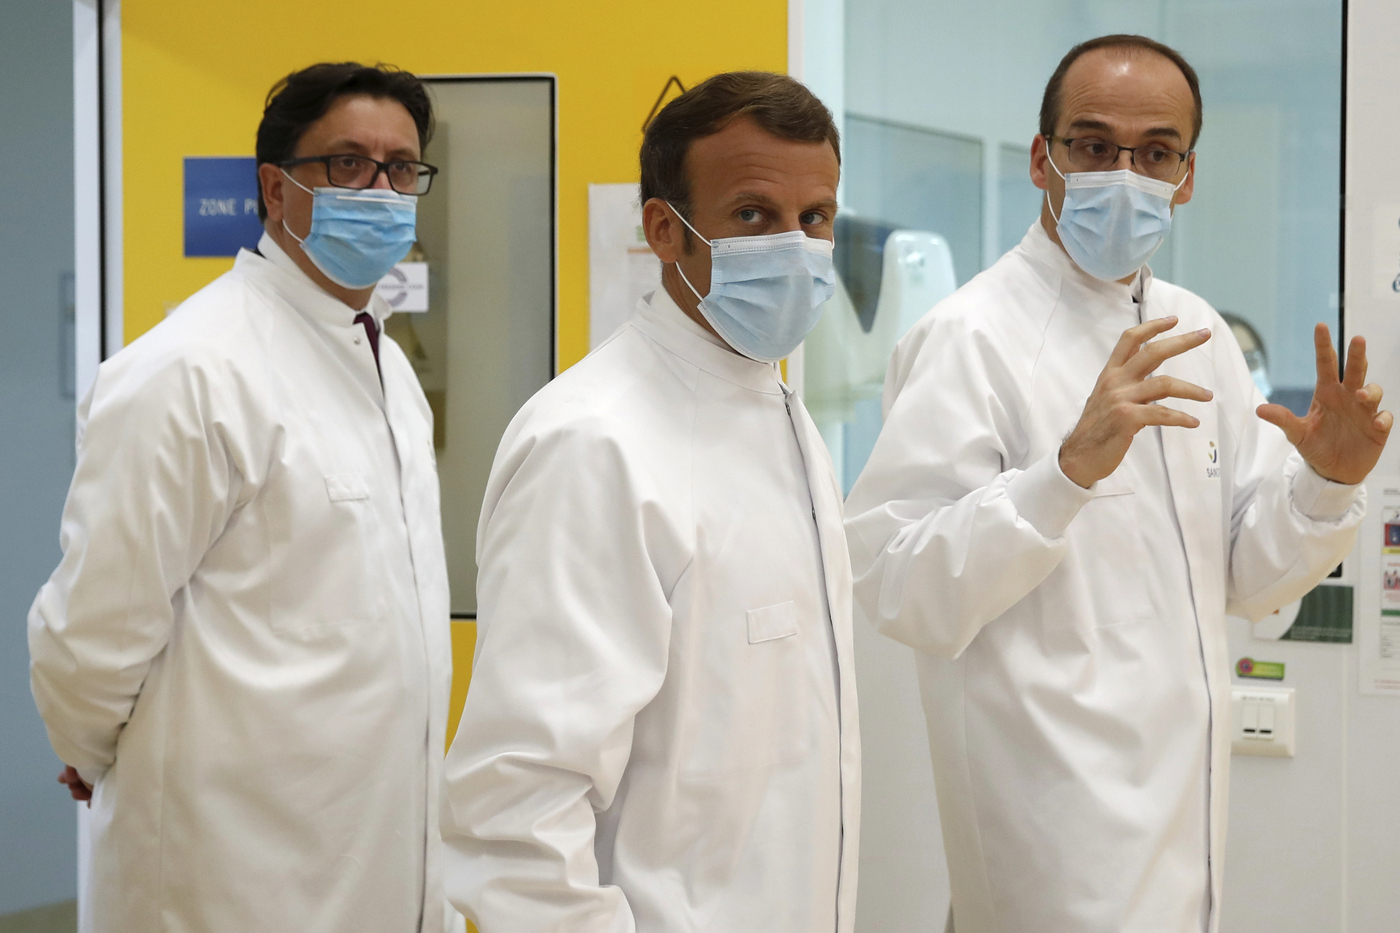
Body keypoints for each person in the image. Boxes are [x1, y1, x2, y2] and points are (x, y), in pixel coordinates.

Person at [844, 35, 1390, 933]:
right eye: (1094, 146)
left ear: (1186, 174)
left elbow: (1250, 580)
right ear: (1041, 159)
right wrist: (1063, 476)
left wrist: (1324, 484)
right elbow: (901, 585)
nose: (1124, 174)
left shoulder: (1199, 330)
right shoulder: (971, 336)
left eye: (1155, 152)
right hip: (1047, 847)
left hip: (1188, 836)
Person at [29, 62, 457, 933]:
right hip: (228, 876)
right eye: (347, 163)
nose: (380, 188)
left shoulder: (387, 368)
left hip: (378, 857)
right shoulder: (190, 370)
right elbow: (90, 634)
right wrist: (93, 751)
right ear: (275, 188)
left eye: (401, 167)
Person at [440, 71, 859, 932]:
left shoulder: (779, 413)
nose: (796, 246)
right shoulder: (594, 444)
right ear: (666, 230)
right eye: (753, 214)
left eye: (815, 219)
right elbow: (516, 804)